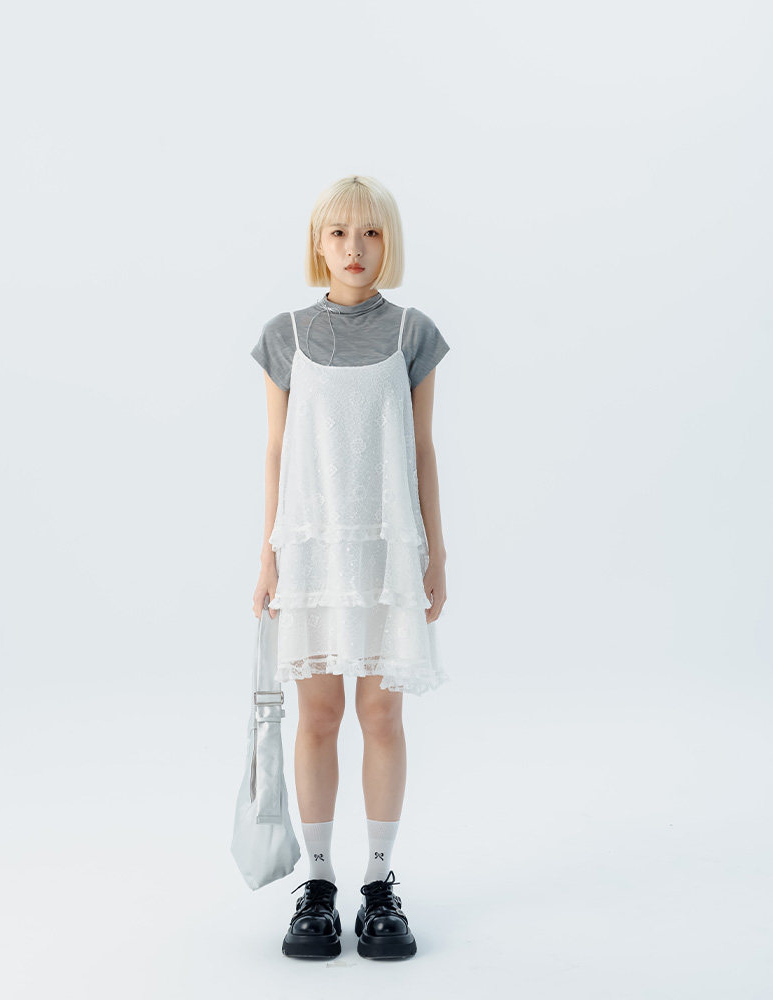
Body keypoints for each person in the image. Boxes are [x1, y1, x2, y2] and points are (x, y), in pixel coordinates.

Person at [249, 174, 450, 960]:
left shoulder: (412, 334)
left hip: (386, 549)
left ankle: (379, 882)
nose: (354, 248)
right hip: (311, 549)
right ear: (318, 243)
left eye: (369, 233)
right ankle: (318, 882)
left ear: (387, 242)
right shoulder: (286, 336)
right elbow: (275, 451)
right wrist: (267, 555)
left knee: (383, 716)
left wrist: (436, 551)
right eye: (338, 233)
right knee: (318, 717)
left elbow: (423, 449)